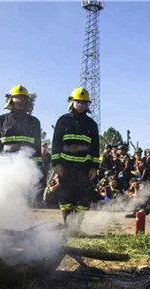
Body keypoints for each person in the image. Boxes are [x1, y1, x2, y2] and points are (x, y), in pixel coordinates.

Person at [51, 87, 100, 224]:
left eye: (84, 103)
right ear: (72, 102)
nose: (81, 105)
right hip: (65, 167)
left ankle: (76, 226)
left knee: (83, 198)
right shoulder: (63, 120)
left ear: (88, 105)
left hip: (84, 168)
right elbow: (56, 143)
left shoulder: (92, 124)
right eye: (78, 102)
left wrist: (94, 167)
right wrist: (57, 163)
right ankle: (68, 224)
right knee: (66, 197)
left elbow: (95, 148)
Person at [0, 84, 43, 166]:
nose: (20, 102)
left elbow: (37, 148)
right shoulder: (1, 120)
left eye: (23, 99)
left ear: (27, 102)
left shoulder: (34, 122)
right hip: (4, 167)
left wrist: (39, 167)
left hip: (27, 167)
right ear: (10, 101)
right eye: (17, 99)